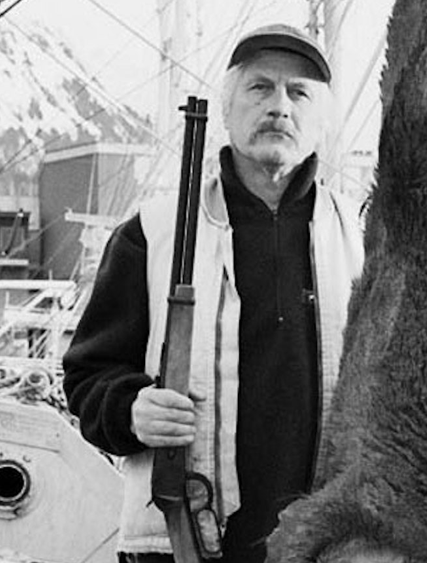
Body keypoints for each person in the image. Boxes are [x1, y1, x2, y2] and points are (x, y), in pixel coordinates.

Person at [63, 23, 364, 563]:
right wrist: (131, 411)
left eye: (299, 93)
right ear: (227, 108)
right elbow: (88, 378)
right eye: (260, 87)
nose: (279, 106)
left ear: (321, 120)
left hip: (328, 548)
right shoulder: (151, 234)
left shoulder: (362, 243)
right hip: (179, 545)